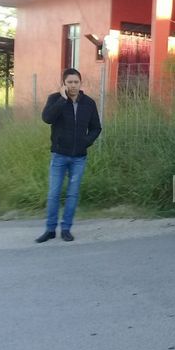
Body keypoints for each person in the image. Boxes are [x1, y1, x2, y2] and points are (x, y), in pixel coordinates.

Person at [35, 68, 102, 243]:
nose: (73, 85)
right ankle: (50, 230)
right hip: (59, 155)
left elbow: (96, 127)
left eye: (76, 82)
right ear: (64, 84)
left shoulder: (89, 103)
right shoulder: (54, 99)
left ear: (80, 83)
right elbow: (47, 118)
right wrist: (62, 100)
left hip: (79, 157)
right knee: (54, 194)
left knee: (72, 194)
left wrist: (85, 142)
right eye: (69, 82)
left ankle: (66, 229)